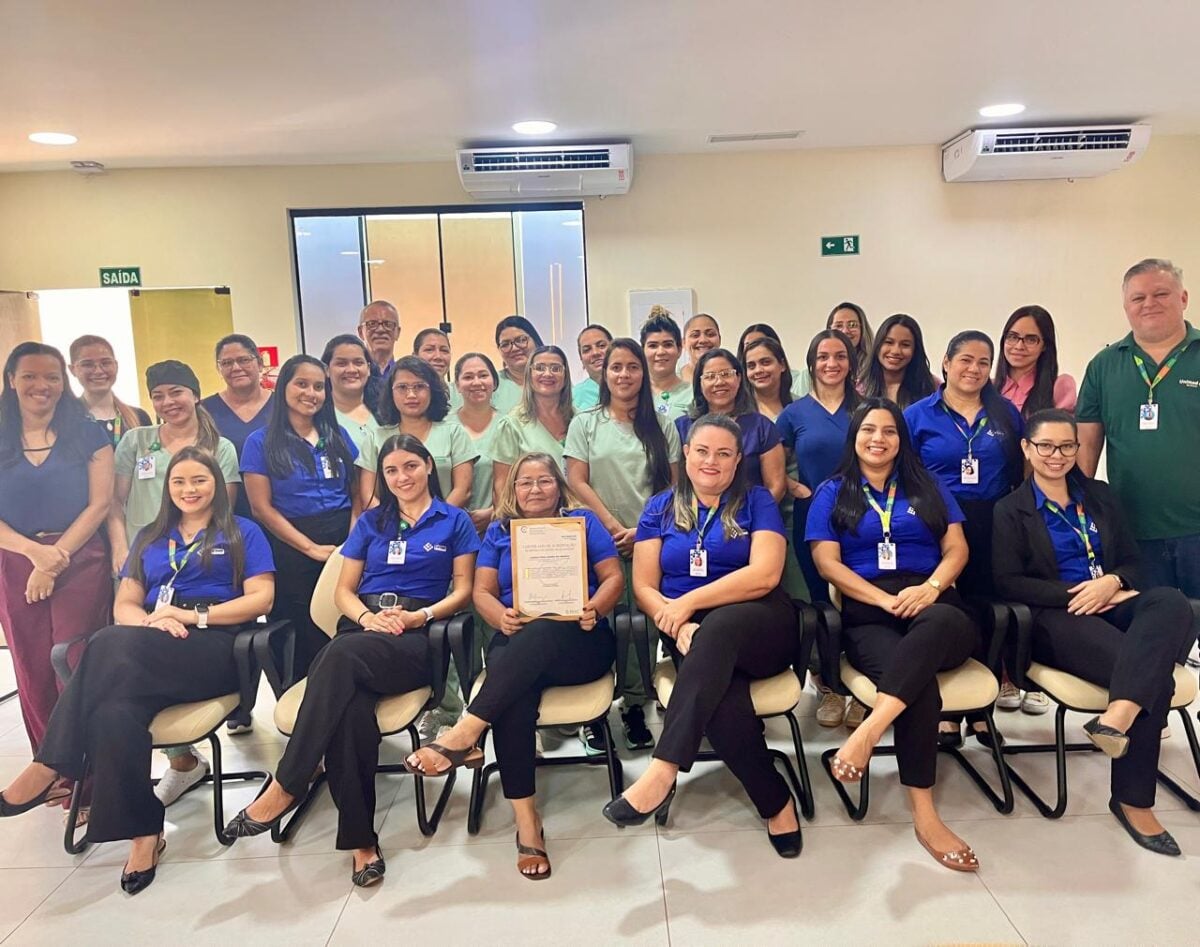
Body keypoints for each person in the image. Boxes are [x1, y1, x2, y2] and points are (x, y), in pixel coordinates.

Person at [0, 447, 275, 895]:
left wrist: (191, 617)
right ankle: (145, 834)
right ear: (167, 489)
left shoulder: (243, 531)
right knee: (113, 711)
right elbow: (124, 604)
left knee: (107, 642)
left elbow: (260, 599)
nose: (189, 490)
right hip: (150, 643)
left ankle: (52, 763)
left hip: (212, 647)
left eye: (199, 481)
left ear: (217, 486)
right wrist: (154, 621)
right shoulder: (151, 535)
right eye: (179, 482)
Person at [224, 435, 477, 885]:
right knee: (349, 711)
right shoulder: (371, 522)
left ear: (427, 468)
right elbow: (343, 589)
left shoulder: (453, 520)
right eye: (392, 470)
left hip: (416, 634)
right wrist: (365, 616)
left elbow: (462, 590)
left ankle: (288, 782)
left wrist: (419, 615)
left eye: (411, 467)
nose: (402, 477)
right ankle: (362, 843)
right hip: (362, 626)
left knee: (337, 656)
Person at [405, 453, 624, 879]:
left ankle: (467, 730)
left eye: (544, 481)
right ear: (512, 491)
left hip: (581, 640)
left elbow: (613, 576)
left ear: (558, 487)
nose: (535, 489)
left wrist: (595, 607)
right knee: (513, 696)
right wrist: (497, 616)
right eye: (525, 482)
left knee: (538, 636)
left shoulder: (582, 522)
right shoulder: (502, 532)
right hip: (517, 637)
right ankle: (528, 822)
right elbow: (482, 591)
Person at [993, 409, 1196, 855]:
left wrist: (1113, 582)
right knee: (1152, 674)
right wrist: (1079, 592)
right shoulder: (1010, 510)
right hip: (1057, 615)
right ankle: (1133, 800)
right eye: (1045, 445)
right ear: (1027, 448)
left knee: (1171, 602)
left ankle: (1115, 719)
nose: (1056, 455)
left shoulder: (1100, 496)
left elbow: (1131, 561)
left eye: (1067, 446)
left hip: (1113, 600)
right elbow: (1007, 582)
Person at [602, 414, 802, 858]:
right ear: (686, 454)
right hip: (684, 628)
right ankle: (776, 801)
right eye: (703, 451)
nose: (712, 461)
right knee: (722, 703)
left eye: (724, 453)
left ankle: (664, 767)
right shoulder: (659, 507)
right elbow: (644, 586)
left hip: (759, 622)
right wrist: (676, 617)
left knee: (721, 626)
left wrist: (690, 604)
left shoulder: (756, 502)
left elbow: (765, 574)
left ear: (737, 462)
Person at [806, 399, 981, 872]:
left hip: (936, 604)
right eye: (868, 430)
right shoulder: (832, 491)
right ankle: (925, 814)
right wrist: (882, 601)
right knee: (916, 685)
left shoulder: (928, 485)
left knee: (939, 624)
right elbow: (827, 563)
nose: (878, 439)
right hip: (871, 611)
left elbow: (957, 548)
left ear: (902, 439)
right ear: (854, 437)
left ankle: (867, 732)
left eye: (889, 431)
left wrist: (930, 588)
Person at [110, 360, 243, 796]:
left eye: (177, 392)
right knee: (129, 653)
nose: (169, 403)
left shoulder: (218, 447)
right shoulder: (137, 441)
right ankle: (180, 758)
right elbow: (116, 502)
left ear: (195, 394)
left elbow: (224, 511)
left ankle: (59, 763)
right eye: (160, 395)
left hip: (199, 572)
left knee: (141, 660)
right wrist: (121, 550)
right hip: (146, 561)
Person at [904, 331, 1023, 745]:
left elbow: (1019, 471)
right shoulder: (918, 415)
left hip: (994, 521)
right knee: (949, 610)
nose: (974, 369)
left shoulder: (1006, 414)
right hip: (936, 523)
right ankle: (947, 713)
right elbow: (905, 474)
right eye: (966, 360)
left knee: (990, 611)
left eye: (983, 362)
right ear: (947, 363)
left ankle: (982, 710)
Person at [565, 339, 680, 753]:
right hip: (598, 538)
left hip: (650, 539)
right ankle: (592, 712)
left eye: (633, 367)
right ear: (604, 373)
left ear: (643, 373)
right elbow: (576, 481)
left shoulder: (662, 425)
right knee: (595, 622)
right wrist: (612, 525)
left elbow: (672, 485)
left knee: (641, 627)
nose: (624, 375)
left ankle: (634, 704)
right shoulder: (586, 423)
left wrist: (642, 529)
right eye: (616, 367)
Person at [0, 342, 114, 754]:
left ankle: (95, 770)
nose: (41, 385)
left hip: (80, 556)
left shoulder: (87, 433)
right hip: (14, 560)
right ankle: (53, 767)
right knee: (30, 663)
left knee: (76, 658)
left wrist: (54, 558)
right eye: (30, 375)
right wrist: (34, 553)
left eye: (51, 376)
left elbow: (100, 503)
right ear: (11, 380)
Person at [1077, 259, 1200, 599]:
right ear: (1126, 306)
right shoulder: (1104, 364)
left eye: (1161, 294)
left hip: (1197, 528)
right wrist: (1079, 509)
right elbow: (1086, 445)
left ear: (1184, 298)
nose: (1149, 304)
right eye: (1138, 298)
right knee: (1153, 628)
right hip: (1132, 528)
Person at [241, 355, 358, 677]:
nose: (311, 393)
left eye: (319, 387)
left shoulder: (339, 436)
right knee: (300, 624)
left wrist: (352, 542)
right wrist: (309, 548)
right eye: (302, 384)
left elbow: (359, 494)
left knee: (343, 618)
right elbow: (261, 508)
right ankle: (303, 704)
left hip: (343, 539)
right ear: (283, 389)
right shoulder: (260, 442)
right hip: (290, 543)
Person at [776, 330, 861, 726]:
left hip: (864, 518)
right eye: (822, 356)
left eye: (839, 356)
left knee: (861, 601)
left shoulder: (866, 408)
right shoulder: (794, 414)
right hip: (812, 518)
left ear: (851, 361)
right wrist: (795, 487)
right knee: (820, 604)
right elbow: (771, 466)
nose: (831, 363)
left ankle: (862, 687)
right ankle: (829, 686)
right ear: (810, 364)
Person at [357, 356, 476, 511]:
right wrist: (396, 525)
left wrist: (433, 521)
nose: (411, 395)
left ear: (432, 391)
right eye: (402, 387)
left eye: (419, 386)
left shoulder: (454, 433)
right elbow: (368, 495)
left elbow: (463, 491)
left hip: (446, 525)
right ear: (390, 392)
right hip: (391, 531)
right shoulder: (375, 438)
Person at [676, 348, 786, 502]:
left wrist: (753, 516)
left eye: (726, 374)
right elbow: (675, 484)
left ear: (739, 378)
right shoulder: (681, 427)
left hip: (750, 519)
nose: (719, 382)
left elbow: (776, 486)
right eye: (710, 376)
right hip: (693, 519)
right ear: (699, 383)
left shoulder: (761, 427)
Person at [199, 334, 274, 519]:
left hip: (280, 510)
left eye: (244, 360)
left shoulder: (283, 405)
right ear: (219, 368)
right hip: (224, 512)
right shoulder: (204, 410)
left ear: (260, 363)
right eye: (227, 363)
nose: (236, 368)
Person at [491, 345, 574, 498]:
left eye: (556, 368)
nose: (548, 374)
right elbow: (501, 486)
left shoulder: (580, 421)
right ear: (529, 374)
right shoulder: (512, 425)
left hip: (581, 516)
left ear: (565, 375)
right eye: (540, 368)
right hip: (530, 517)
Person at [994, 305, 1077, 417]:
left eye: (1031, 340)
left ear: (1045, 345)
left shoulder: (1059, 387)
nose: (1019, 346)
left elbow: (1062, 432)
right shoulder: (987, 387)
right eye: (1012, 337)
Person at [68, 335, 150, 447]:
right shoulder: (64, 419)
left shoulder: (139, 417)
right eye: (88, 364)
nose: (98, 371)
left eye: (106, 363)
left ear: (116, 365)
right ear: (72, 370)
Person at [451, 352, 502, 533]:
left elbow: (518, 479)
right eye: (468, 377)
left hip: (496, 526)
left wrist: (495, 511)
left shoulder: (509, 426)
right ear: (457, 385)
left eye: (483, 375)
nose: (476, 382)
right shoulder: (443, 427)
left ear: (494, 382)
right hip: (448, 528)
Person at [320, 334, 382, 454]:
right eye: (341, 364)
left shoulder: (386, 411)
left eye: (358, 363)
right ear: (327, 370)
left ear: (368, 369)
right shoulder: (319, 416)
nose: (351, 370)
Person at [860, 314, 937, 409]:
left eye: (905, 345)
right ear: (878, 345)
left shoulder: (933, 386)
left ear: (915, 350)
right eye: (889, 342)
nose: (895, 351)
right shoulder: (858, 387)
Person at [640, 308, 693, 420]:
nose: (660, 352)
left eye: (668, 345)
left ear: (679, 350)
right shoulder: (635, 393)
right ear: (642, 351)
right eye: (653, 346)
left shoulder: (693, 395)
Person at [738, 323, 811, 398]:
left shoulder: (799, 404)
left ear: (782, 364)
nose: (758, 370)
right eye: (751, 366)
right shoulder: (738, 406)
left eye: (765, 362)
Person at [493, 316, 544, 416]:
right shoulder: (492, 384)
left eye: (521, 340)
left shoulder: (553, 378)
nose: (514, 348)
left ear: (535, 340)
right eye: (505, 344)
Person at [827, 302, 875, 380]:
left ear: (863, 330)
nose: (845, 331)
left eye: (852, 325)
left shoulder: (875, 367)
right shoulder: (816, 371)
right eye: (838, 325)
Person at [413, 327, 458, 408]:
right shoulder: (406, 396)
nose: (438, 356)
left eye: (444, 350)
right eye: (429, 350)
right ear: (415, 356)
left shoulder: (461, 395)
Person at [572, 324, 612, 411]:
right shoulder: (574, 396)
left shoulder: (632, 386)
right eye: (587, 350)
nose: (595, 353)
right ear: (581, 358)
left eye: (601, 346)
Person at [357, 300, 402, 376]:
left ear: (397, 332)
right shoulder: (354, 375)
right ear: (361, 332)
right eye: (372, 324)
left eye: (388, 324)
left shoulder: (406, 374)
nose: (380, 329)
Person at [679, 312, 721, 386]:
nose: (703, 340)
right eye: (695, 335)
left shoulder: (732, 376)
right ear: (684, 343)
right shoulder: (672, 380)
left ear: (719, 339)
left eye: (710, 334)